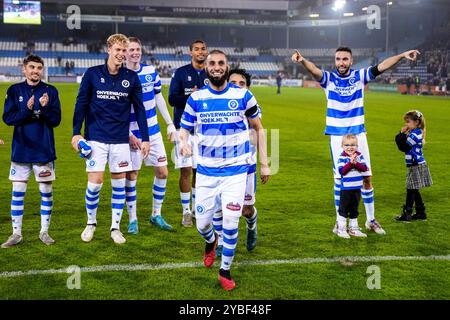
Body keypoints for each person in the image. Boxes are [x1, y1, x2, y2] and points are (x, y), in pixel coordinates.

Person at [292, 46, 421, 235]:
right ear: (335, 61)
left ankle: (370, 220)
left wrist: (402, 55)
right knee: (340, 178)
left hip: (359, 134)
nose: (341, 62)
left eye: (345, 59)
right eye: (338, 59)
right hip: (338, 135)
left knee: (367, 177)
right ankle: (340, 222)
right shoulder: (329, 79)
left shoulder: (360, 76)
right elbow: (314, 70)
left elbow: (382, 66)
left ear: (351, 61)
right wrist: (302, 60)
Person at [178, 50, 270, 291]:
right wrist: (183, 142)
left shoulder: (243, 95)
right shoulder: (196, 99)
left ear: (227, 67)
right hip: (207, 172)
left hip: (236, 170)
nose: (217, 67)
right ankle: (210, 241)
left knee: (230, 222)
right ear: (206, 68)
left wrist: (264, 162)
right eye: (212, 63)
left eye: (221, 63)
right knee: (202, 225)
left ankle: (225, 270)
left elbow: (259, 129)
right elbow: (184, 129)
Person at [72, 34, 150, 245]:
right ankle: (91, 223)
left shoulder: (131, 78)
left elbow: (140, 110)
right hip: (95, 138)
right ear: (109, 50)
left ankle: (115, 227)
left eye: (124, 51)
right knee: (95, 183)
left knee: (119, 185)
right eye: (118, 50)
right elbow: (80, 104)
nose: (121, 54)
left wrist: (145, 138)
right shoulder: (92, 74)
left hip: (120, 140)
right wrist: (75, 133)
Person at [2, 54, 61, 248]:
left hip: (43, 150)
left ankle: (44, 231)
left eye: (39, 68)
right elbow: (8, 119)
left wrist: (44, 109)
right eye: (32, 67)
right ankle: (16, 233)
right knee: (18, 192)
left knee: (46, 191)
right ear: (24, 69)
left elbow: (56, 121)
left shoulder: (51, 91)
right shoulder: (14, 90)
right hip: (21, 150)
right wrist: (26, 110)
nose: (36, 71)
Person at [124, 37, 176, 233]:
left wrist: (170, 124)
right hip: (132, 134)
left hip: (153, 132)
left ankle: (156, 214)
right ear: (125, 52)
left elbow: (159, 98)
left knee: (162, 172)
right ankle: (132, 219)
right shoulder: (121, 75)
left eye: (138, 49)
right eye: (131, 50)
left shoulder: (150, 72)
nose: (135, 52)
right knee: (132, 175)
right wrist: (128, 133)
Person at [214, 68, 267, 257]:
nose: (237, 86)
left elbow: (258, 130)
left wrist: (264, 164)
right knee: (218, 205)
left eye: (241, 84)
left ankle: (252, 224)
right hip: (219, 162)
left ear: (247, 88)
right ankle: (220, 240)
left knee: (245, 209)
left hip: (245, 163)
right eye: (233, 82)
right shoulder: (217, 101)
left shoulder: (250, 105)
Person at [168, 40, 208, 227]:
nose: (200, 52)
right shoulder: (181, 73)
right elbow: (172, 99)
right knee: (185, 170)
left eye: (203, 49)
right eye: (197, 49)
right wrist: (192, 96)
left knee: (199, 171)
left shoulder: (212, 73)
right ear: (190, 52)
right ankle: (186, 212)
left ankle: (195, 208)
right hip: (184, 130)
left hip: (207, 131)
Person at [395, 110, 432, 221]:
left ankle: (407, 214)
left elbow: (403, 147)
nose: (407, 124)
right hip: (416, 164)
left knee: (411, 189)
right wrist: (402, 135)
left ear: (417, 122)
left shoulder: (416, 133)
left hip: (416, 164)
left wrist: (401, 134)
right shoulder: (414, 132)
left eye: (408, 122)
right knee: (414, 189)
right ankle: (421, 213)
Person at [334, 134, 369, 238]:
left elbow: (364, 168)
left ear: (357, 145)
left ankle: (353, 229)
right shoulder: (342, 157)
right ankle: (341, 229)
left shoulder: (359, 156)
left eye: (353, 145)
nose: (350, 147)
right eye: (347, 145)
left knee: (354, 209)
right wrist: (350, 163)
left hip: (357, 188)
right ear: (342, 146)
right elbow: (342, 171)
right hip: (346, 189)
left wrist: (355, 163)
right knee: (343, 209)